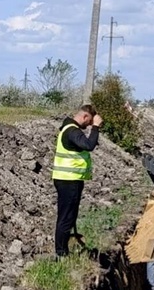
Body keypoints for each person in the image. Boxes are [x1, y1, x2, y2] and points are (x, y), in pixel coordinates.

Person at [52, 104, 103, 258]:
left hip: (70, 180)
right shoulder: (72, 131)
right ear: (85, 117)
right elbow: (88, 145)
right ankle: (61, 253)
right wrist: (95, 127)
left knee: (69, 215)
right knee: (66, 217)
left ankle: (65, 248)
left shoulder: (68, 128)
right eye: (88, 123)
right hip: (68, 181)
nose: (88, 126)